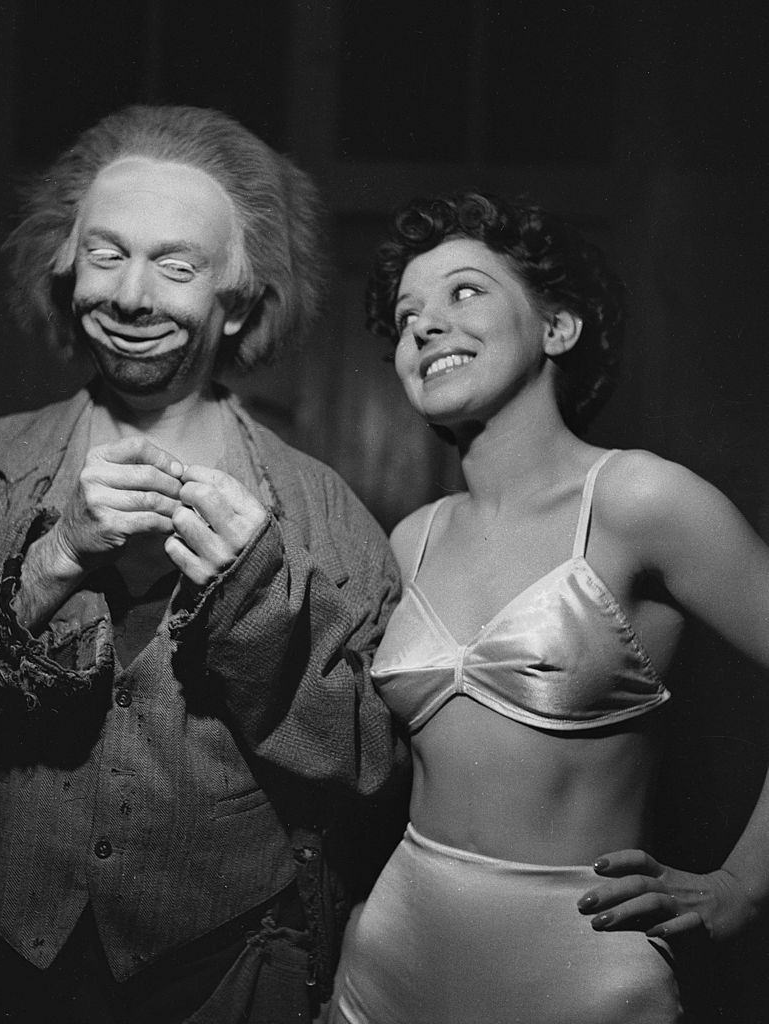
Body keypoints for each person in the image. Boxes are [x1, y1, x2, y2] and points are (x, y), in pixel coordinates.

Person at [0, 104, 406, 1024]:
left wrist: (254, 599)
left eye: (176, 265)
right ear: (65, 267)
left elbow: (374, 764)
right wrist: (49, 562)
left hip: (227, 977)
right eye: (107, 254)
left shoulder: (319, 506)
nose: (131, 296)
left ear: (240, 299)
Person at [328, 191, 769, 1023]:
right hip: (390, 957)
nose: (424, 325)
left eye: (464, 292)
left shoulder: (641, 499)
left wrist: (742, 887)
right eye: (406, 314)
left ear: (557, 328)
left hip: (578, 975)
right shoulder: (408, 538)